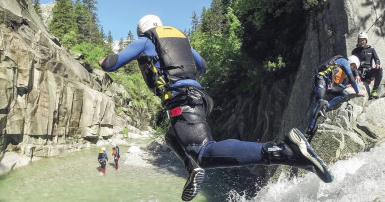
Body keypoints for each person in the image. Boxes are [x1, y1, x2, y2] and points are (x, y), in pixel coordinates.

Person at [99, 15, 334, 201]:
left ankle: (284, 151)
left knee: (203, 151)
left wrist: (102, 62)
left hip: (181, 100)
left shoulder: (146, 41)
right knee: (171, 134)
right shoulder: (179, 41)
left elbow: (111, 64)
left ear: (143, 29)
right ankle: (192, 167)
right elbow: (203, 66)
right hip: (198, 97)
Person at [307, 55, 366, 141]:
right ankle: (309, 129)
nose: (353, 69)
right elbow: (352, 80)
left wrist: (344, 86)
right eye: (353, 66)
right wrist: (357, 92)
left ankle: (326, 106)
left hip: (329, 85)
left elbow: (336, 82)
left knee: (344, 95)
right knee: (320, 100)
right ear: (351, 62)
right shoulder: (344, 61)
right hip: (321, 79)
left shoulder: (343, 71)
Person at [351, 32, 383, 99]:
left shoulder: (371, 49)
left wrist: (377, 64)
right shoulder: (355, 51)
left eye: (363, 40)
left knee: (380, 69)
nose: (362, 42)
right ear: (358, 40)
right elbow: (352, 64)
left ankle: (374, 90)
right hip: (359, 71)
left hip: (369, 71)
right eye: (360, 40)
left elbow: (377, 59)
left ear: (366, 40)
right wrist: (356, 74)